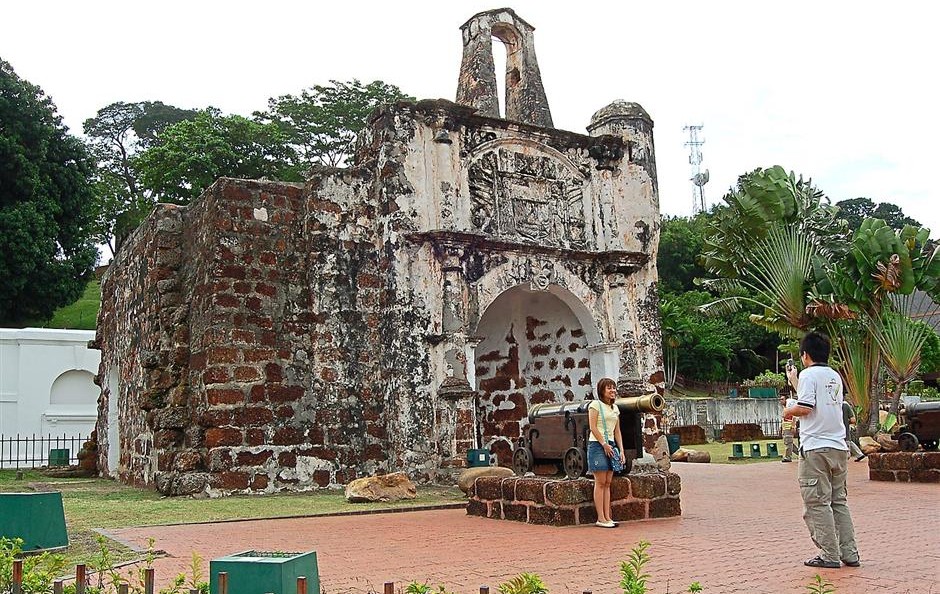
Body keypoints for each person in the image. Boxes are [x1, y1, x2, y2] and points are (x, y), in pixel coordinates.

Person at [784, 331, 860, 569]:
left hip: (815, 448)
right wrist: (795, 383)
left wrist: (788, 412)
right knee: (839, 501)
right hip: (838, 446)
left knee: (817, 503)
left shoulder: (809, 374)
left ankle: (829, 554)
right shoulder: (834, 376)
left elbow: (806, 407)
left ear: (805, 355)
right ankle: (850, 552)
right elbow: (819, 402)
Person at [587, 377, 625, 528]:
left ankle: (607, 516)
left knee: (608, 482)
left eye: (614, 388)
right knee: (600, 482)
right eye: (609, 388)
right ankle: (600, 518)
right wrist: (603, 444)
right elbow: (593, 427)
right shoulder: (595, 405)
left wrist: (621, 450)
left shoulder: (615, 409)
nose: (613, 391)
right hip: (597, 445)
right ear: (602, 391)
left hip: (610, 444)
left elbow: (617, 431)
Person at [779, 394, 798, 462]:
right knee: (789, 442)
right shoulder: (786, 407)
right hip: (785, 427)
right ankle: (801, 454)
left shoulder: (790, 406)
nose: (780, 401)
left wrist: (793, 426)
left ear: (786, 399)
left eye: (782, 399)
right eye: (780, 399)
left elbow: (794, 417)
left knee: (788, 442)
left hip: (789, 427)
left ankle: (788, 457)